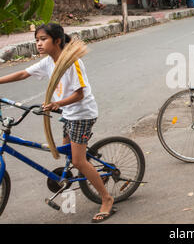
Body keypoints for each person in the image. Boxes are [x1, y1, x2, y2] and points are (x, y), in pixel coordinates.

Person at [0, 23, 115, 223]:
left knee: (78, 161)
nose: (39, 43)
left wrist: (56, 103)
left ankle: (106, 198)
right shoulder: (48, 62)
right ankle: (91, 167)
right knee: (66, 151)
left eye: (43, 39)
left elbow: (80, 94)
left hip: (82, 114)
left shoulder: (73, 63)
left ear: (57, 40)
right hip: (67, 113)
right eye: (37, 40)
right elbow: (23, 73)